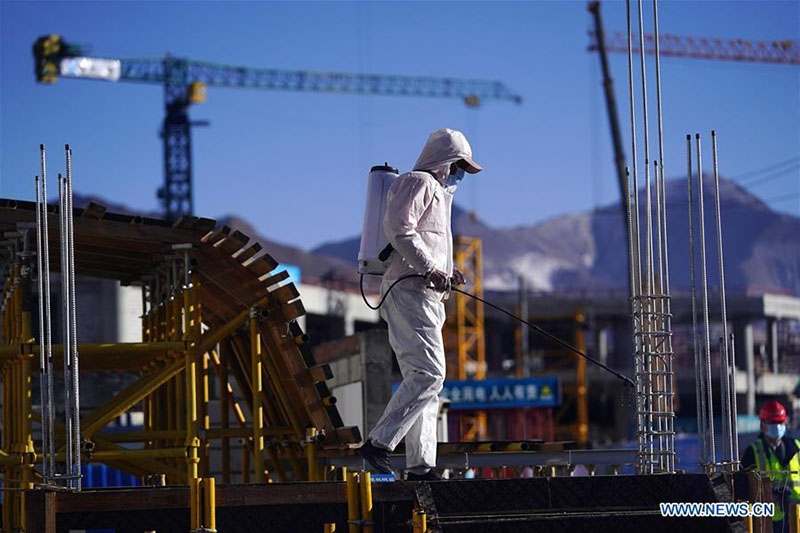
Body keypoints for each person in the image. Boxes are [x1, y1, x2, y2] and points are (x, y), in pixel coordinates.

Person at [357, 128, 481, 481]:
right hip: (410, 291)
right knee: (429, 373)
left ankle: (421, 465)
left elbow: (419, 239)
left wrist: (447, 271)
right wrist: (431, 268)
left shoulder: (437, 194)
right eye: (459, 166)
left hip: (423, 294)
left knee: (425, 379)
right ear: (444, 161)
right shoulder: (419, 182)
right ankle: (379, 444)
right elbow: (400, 228)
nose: (460, 174)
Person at [741, 400, 800, 532]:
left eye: (779, 422)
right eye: (772, 423)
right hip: (768, 521)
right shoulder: (752, 453)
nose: (777, 426)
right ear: (762, 425)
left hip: (796, 516)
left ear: (785, 423)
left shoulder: (796, 448)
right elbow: (744, 488)